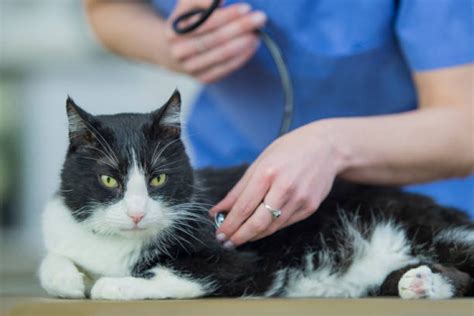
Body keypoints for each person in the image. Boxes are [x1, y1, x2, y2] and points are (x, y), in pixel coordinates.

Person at [84, 0, 474, 249]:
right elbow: (107, 8)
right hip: (226, 185)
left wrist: (331, 145)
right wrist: (167, 46)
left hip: (413, 209)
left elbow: (464, 130)